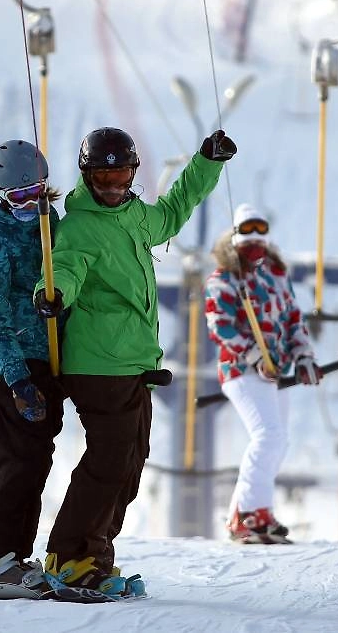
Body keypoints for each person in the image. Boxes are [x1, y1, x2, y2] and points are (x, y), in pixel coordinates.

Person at [34, 126, 236, 593]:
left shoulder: (133, 216)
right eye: (103, 177)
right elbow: (65, 264)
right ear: (87, 176)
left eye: (121, 175)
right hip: (98, 364)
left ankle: (95, 556)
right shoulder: (81, 224)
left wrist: (207, 162)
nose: (112, 186)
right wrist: (53, 294)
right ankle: (68, 556)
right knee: (109, 461)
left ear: (132, 175)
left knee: (128, 462)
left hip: (132, 365)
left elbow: (172, 212)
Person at [0, 139, 64, 595]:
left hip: (46, 357)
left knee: (36, 459)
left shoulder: (48, 223)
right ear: (1, 195)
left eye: (37, 193)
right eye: (18, 197)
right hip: (13, 363)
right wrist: (17, 378)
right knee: (15, 460)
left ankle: (13, 555)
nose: (29, 204)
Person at [204, 203, 321, 543]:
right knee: (267, 435)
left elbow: (293, 318)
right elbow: (220, 325)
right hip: (241, 369)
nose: (255, 237)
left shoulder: (276, 274)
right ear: (236, 234)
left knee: (278, 439)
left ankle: (250, 511)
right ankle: (250, 514)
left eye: (261, 230)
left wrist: (303, 357)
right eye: (247, 230)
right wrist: (255, 356)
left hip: (278, 369)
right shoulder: (225, 277)